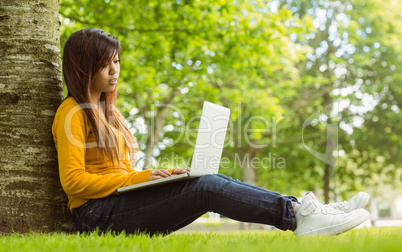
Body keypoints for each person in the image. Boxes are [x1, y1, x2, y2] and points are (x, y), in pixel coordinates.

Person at [52, 28, 370, 237]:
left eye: (117, 61)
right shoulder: (71, 113)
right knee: (205, 187)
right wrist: (141, 178)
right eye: (106, 63)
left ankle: (305, 209)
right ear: (83, 66)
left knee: (208, 179)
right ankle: (298, 217)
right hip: (95, 216)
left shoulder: (110, 114)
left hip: (116, 204)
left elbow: (119, 173)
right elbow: (74, 182)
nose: (115, 70)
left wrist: (156, 175)